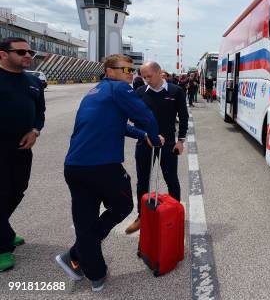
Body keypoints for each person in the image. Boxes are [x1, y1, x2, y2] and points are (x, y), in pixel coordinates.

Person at [55, 54, 163, 292]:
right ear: (110, 71)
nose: (130, 74)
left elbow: (116, 124)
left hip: (74, 167)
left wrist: (141, 136)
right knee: (123, 206)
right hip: (101, 167)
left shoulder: (95, 92)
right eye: (125, 69)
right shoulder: (119, 89)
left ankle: (95, 274)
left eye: (132, 70)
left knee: (85, 222)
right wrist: (154, 138)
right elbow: (147, 116)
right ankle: (75, 252)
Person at [125, 61, 189, 234]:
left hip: (168, 144)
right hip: (145, 143)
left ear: (159, 72)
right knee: (142, 182)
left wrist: (180, 141)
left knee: (171, 180)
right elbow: (133, 119)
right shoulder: (139, 93)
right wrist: (143, 134)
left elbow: (183, 117)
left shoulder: (176, 92)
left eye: (149, 76)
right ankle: (141, 216)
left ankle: (175, 214)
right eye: (144, 77)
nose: (146, 80)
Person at [0, 37, 45, 272]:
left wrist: (35, 131)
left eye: (30, 51)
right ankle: (2, 246)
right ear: (3, 54)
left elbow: (40, 112)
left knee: (18, 189)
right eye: (21, 52)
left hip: (22, 147)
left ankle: (3, 228)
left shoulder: (33, 82)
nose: (28, 55)